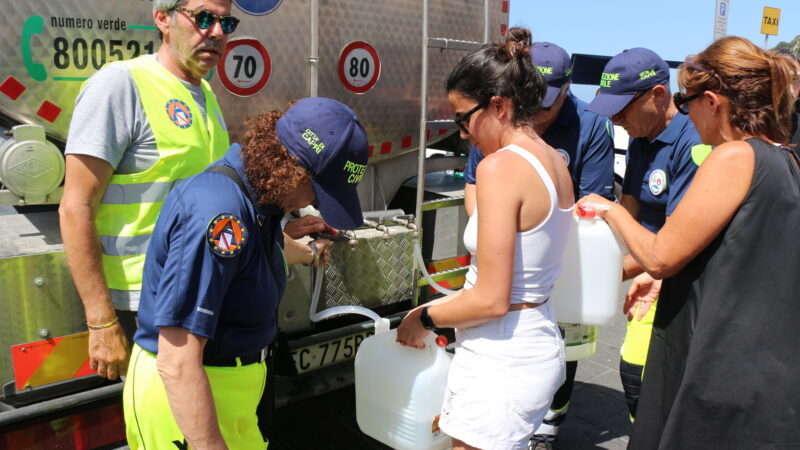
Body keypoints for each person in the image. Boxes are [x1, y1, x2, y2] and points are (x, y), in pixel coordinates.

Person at [579, 36, 800, 448]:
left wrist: (610, 211)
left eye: (686, 102)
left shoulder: (735, 156)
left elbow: (661, 257)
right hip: (764, 368)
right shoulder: (786, 158)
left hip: (723, 365)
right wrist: (659, 278)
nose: (684, 112)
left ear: (712, 100)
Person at [123, 97, 369, 449]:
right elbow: (177, 360)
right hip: (188, 403)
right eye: (318, 191)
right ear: (292, 168)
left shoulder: (258, 200)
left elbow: (243, 263)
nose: (310, 203)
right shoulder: (219, 214)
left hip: (235, 395)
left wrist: (301, 250)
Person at [397, 28, 573, 449]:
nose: (461, 132)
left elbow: (492, 299)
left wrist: (421, 318)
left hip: (503, 356)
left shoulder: (502, 167)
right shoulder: (552, 160)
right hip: (534, 340)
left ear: (499, 105)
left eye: (463, 118)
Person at [58, 0, 237, 381]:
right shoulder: (120, 84)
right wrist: (102, 322)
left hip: (200, 295)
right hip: (145, 305)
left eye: (226, 22)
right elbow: (75, 206)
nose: (218, 33)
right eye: (204, 18)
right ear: (163, 19)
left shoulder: (204, 92)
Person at [463, 41, 615, 448]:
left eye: (549, 102)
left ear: (568, 88)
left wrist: (425, 317)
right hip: (520, 326)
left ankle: (550, 427)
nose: (539, 113)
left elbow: (590, 206)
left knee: (569, 349)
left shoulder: (589, 126)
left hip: (542, 283)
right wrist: (491, 232)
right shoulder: (494, 138)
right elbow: (473, 185)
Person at [585, 47, 705, 420]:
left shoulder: (694, 143)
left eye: (622, 109)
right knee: (641, 375)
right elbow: (631, 214)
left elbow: (673, 241)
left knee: (639, 372)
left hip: (680, 276)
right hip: (651, 271)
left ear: (657, 94)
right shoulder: (640, 140)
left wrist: (611, 273)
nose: (617, 119)